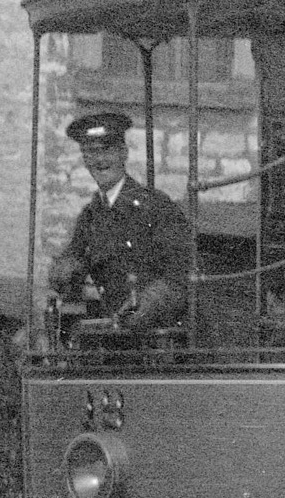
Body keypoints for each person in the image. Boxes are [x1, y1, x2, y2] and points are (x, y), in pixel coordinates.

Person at [49, 111, 192, 337]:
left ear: (123, 153)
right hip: (114, 336)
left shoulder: (155, 206)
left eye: (107, 150)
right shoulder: (91, 216)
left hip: (156, 338)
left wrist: (148, 304)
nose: (100, 160)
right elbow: (71, 263)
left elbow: (180, 276)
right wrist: (64, 271)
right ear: (85, 160)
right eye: (90, 152)